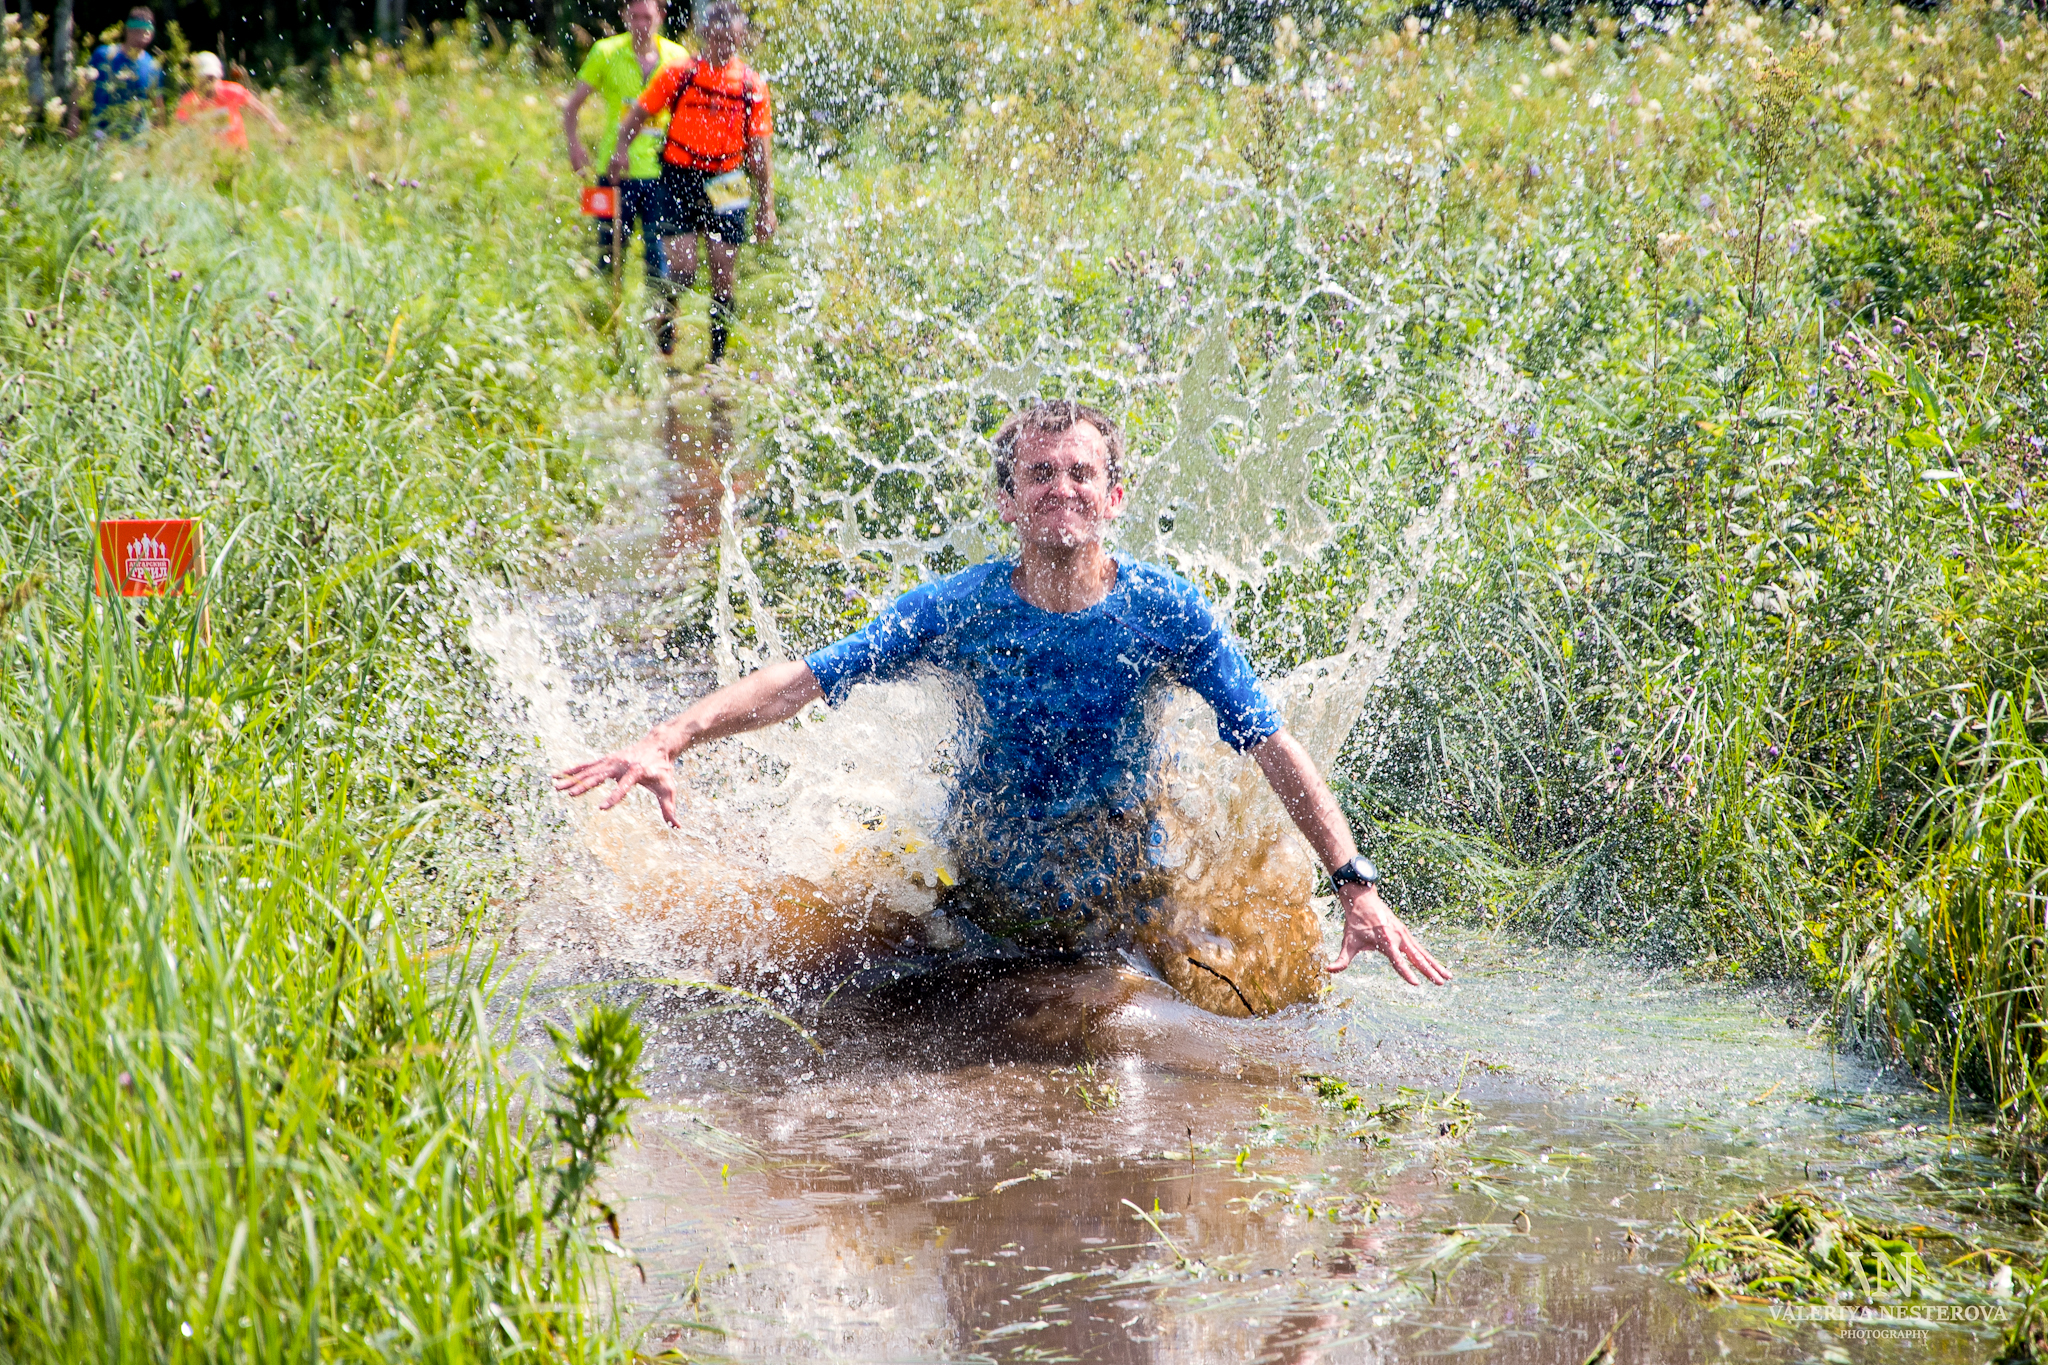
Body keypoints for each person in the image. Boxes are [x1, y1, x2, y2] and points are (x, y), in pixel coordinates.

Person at [554, 401, 1451, 994]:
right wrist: (670, 736)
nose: (1061, 488)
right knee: (808, 989)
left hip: (1123, 914)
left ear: (1113, 496)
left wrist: (1354, 886)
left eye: (1080, 473)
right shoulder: (959, 610)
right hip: (978, 910)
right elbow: (806, 679)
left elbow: (1271, 745)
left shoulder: (1165, 612)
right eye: (1039, 474)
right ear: (1008, 500)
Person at [605, 0, 775, 367]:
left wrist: (767, 207)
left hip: (728, 179)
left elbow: (760, 153)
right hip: (679, 175)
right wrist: (620, 150)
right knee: (681, 270)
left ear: (741, 38)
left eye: (731, 39)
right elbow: (638, 114)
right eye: (717, 37)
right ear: (704, 34)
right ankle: (664, 337)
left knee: (723, 273)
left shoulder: (752, 85)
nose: (723, 45)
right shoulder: (680, 73)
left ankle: (716, 360)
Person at [563, 0, 691, 353]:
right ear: (624, 17)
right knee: (607, 251)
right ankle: (605, 329)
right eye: (634, 16)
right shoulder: (605, 52)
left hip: (660, 173)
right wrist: (574, 146)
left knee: (659, 258)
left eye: (647, 17)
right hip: (611, 172)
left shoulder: (678, 57)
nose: (641, 24)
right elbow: (572, 105)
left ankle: (662, 337)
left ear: (660, 17)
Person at [174, 52, 291, 150]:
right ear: (196, 78)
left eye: (212, 78)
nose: (208, 82)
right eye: (204, 78)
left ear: (218, 76)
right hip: (207, 157)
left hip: (238, 152)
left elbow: (259, 108)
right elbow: (179, 127)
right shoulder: (188, 101)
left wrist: (276, 125)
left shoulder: (231, 91)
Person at [86, 8, 164, 140]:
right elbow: (82, 87)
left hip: (136, 139)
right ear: (127, 30)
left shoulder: (152, 66)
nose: (142, 37)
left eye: (147, 33)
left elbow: (158, 104)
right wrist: (73, 118)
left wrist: (158, 137)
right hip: (101, 134)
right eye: (137, 31)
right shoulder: (104, 55)